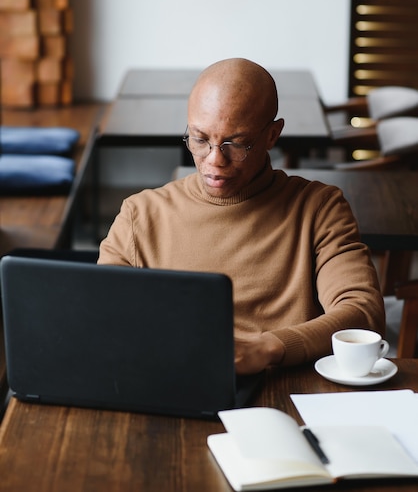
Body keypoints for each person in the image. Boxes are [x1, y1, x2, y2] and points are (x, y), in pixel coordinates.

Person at [98, 57, 385, 374]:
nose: (215, 160)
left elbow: (362, 312)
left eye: (237, 143)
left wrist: (268, 348)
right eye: (200, 139)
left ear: (272, 136)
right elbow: (101, 316)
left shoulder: (318, 208)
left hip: (283, 387)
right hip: (171, 381)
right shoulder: (141, 215)